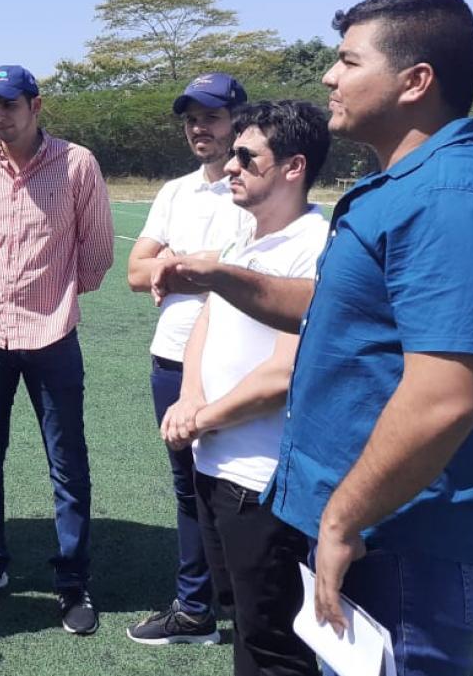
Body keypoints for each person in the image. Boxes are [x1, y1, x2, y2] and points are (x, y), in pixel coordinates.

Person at [152, 0, 473, 676]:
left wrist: (343, 517)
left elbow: (445, 394)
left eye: (347, 60)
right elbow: (332, 313)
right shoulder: (398, 185)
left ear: (415, 82)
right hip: (368, 522)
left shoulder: (451, 198)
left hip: (404, 535)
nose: (328, 77)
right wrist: (220, 276)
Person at [163, 101, 329, 676]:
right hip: (216, 470)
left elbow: (286, 373)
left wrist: (203, 418)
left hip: (264, 484)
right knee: (246, 627)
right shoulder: (244, 233)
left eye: (246, 156)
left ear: (293, 167)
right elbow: (208, 319)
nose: (231, 166)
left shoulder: (315, 245)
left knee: (276, 645)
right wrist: (188, 396)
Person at [0, 65, 114, 635]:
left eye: (10, 105)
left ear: (35, 105)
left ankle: (71, 581)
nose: (0, 117)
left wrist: (56, 296)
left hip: (52, 335)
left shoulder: (77, 164)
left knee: (67, 464)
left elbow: (96, 252)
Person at [125, 73, 251, 646]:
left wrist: (177, 264)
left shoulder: (255, 186)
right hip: (170, 357)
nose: (200, 128)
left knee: (243, 486)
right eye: (192, 119)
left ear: (237, 120)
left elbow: (253, 272)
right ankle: (197, 608)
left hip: (237, 361)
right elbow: (133, 273)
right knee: (187, 487)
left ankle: (251, 605)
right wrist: (171, 265)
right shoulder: (175, 192)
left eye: (212, 117)